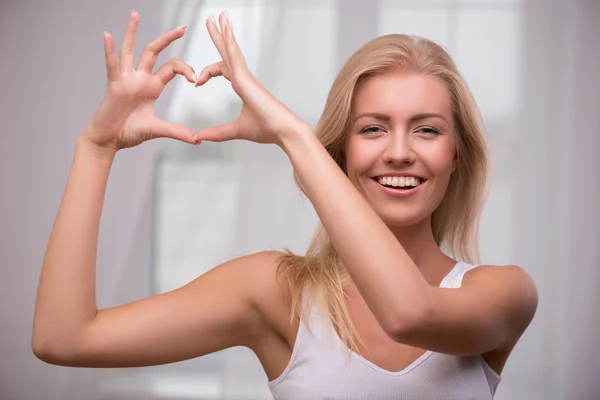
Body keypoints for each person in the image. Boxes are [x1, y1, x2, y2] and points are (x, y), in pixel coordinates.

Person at [32, 10, 538, 399]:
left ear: (456, 155)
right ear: (341, 153)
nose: (400, 151)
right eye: (372, 129)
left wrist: (292, 135)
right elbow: (64, 338)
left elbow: (409, 313)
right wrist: (95, 148)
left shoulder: (503, 292)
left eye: (427, 129)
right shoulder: (278, 293)